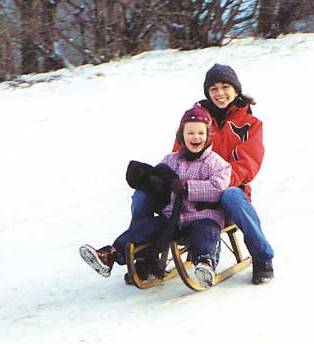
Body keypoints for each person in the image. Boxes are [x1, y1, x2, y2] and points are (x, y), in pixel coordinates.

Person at [79, 104, 231, 288]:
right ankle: (110, 255)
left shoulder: (216, 163)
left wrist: (187, 187)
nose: (195, 137)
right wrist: (148, 178)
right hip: (172, 218)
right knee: (144, 229)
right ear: (181, 135)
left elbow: (218, 188)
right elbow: (158, 177)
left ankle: (205, 264)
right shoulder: (171, 159)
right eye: (190, 133)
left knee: (206, 234)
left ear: (208, 136)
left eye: (200, 133)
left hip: (203, 216)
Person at [166, 63, 274, 284]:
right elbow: (178, 154)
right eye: (213, 88)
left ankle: (262, 258)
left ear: (236, 90)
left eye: (225, 86)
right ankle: (147, 257)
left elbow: (248, 165)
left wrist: (214, 183)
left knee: (232, 195)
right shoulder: (196, 120)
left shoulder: (250, 124)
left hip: (228, 195)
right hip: (194, 197)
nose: (220, 93)